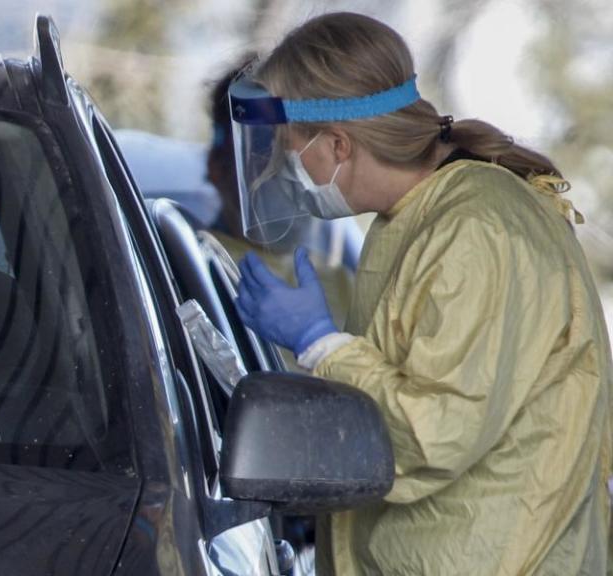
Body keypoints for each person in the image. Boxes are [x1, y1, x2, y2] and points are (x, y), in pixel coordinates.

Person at [231, 12, 611, 575]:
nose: (283, 171)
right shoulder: (422, 216)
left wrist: (319, 343)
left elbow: (433, 434)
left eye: (290, 149)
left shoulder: (477, 229)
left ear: (337, 143)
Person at [205, 56, 362, 330]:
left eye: (307, 149)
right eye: (267, 150)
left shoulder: (339, 281)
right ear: (218, 167)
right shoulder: (199, 266)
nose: (294, 173)